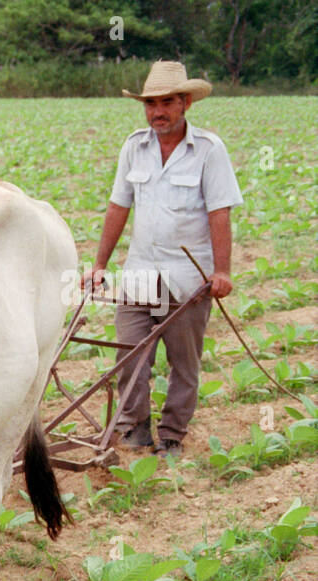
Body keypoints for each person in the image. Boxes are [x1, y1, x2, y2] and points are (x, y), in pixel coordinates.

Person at [82, 60, 243, 458]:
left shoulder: (208, 150)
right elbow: (118, 207)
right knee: (130, 352)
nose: (158, 112)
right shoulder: (134, 147)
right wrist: (100, 264)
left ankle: (172, 434)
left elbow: (219, 212)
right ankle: (135, 427)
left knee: (183, 363)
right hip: (139, 271)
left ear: (185, 102)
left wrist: (221, 271)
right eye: (150, 104)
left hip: (188, 276)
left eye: (167, 102)